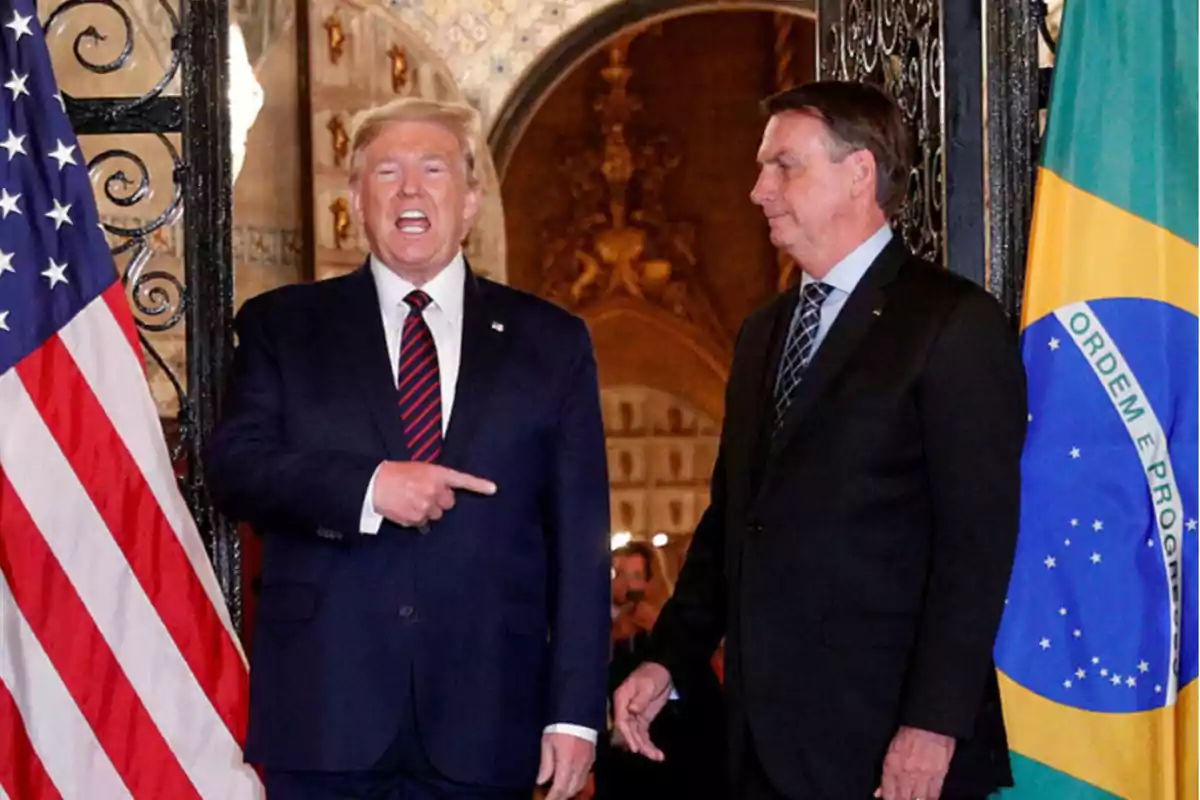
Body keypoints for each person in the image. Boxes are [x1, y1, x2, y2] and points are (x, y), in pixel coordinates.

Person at [613, 80, 1027, 800]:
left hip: (890, 751)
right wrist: (668, 659)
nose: (757, 190)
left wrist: (933, 723)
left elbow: (977, 545)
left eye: (783, 166)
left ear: (859, 172)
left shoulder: (951, 323)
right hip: (761, 749)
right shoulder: (761, 333)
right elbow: (734, 521)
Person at [205, 96, 611, 800]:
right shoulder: (283, 326)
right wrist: (368, 488)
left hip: (490, 715)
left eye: (433, 168)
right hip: (326, 713)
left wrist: (575, 714)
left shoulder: (553, 342)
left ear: (472, 199)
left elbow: (582, 543)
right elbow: (235, 467)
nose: (411, 189)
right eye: (386, 172)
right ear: (357, 201)